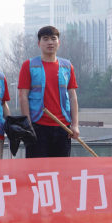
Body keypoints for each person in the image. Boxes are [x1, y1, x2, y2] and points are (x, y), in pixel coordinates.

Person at [18, 26, 79, 158]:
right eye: (45, 39)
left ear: (59, 42)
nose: (50, 42)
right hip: (37, 126)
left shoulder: (67, 66)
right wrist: (28, 125)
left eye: (53, 39)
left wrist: (75, 125)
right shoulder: (29, 65)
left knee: (61, 168)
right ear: (39, 43)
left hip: (63, 127)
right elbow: (23, 96)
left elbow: (72, 97)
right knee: (36, 167)